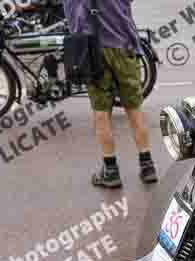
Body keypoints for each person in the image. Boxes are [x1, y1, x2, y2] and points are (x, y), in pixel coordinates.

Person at [63, 0, 157, 188]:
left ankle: (111, 171)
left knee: (101, 112)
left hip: (93, 51)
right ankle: (147, 167)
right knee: (134, 109)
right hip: (124, 46)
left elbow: (73, 20)